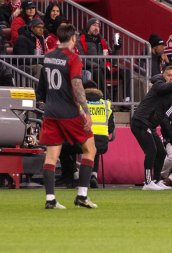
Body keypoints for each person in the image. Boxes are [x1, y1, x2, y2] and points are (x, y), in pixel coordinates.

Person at [36, 24, 98, 209]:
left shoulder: (48, 57)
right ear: (73, 39)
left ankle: (50, 199)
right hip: (69, 112)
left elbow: (43, 87)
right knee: (90, 149)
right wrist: (86, 111)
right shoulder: (73, 58)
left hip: (51, 112)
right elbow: (77, 86)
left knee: (51, 156)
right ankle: (82, 196)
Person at [130, 66, 172, 190]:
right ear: (163, 75)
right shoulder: (159, 85)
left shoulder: (171, 89)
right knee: (151, 151)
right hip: (141, 122)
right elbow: (170, 87)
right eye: (169, 75)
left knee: (161, 153)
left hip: (150, 124)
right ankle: (147, 183)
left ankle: (156, 180)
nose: (171, 78)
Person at [58, 80, 115, 188]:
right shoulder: (106, 104)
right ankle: (93, 175)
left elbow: (71, 126)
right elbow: (111, 127)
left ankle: (73, 174)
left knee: (63, 148)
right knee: (94, 147)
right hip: (102, 143)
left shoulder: (78, 104)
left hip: (82, 142)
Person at [76, 18, 128, 101]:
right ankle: (107, 99)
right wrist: (98, 65)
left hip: (104, 68)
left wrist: (117, 48)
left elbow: (112, 59)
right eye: (94, 25)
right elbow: (81, 59)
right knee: (97, 70)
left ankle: (127, 99)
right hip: (90, 69)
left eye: (98, 26)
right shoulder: (80, 40)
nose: (96, 28)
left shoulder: (102, 41)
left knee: (126, 72)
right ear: (88, 27)